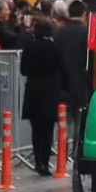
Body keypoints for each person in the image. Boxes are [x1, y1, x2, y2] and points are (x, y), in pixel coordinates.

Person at [21, 17, 69, 176]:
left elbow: (24, 70)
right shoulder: (56, 48)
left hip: (34, 89)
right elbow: (63, 69)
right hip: (51, 91)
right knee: (48, 129)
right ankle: (45, 162)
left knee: (36, 129)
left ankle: (38, 161)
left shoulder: (29, 47)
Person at [54, 0, 89, 142]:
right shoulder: (87, 33)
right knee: (79, 123)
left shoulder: (60, 33)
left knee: (63, 122)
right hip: (82, 84)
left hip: (62, 83)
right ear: (84, 14)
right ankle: (75, 154)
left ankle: (61, 152)